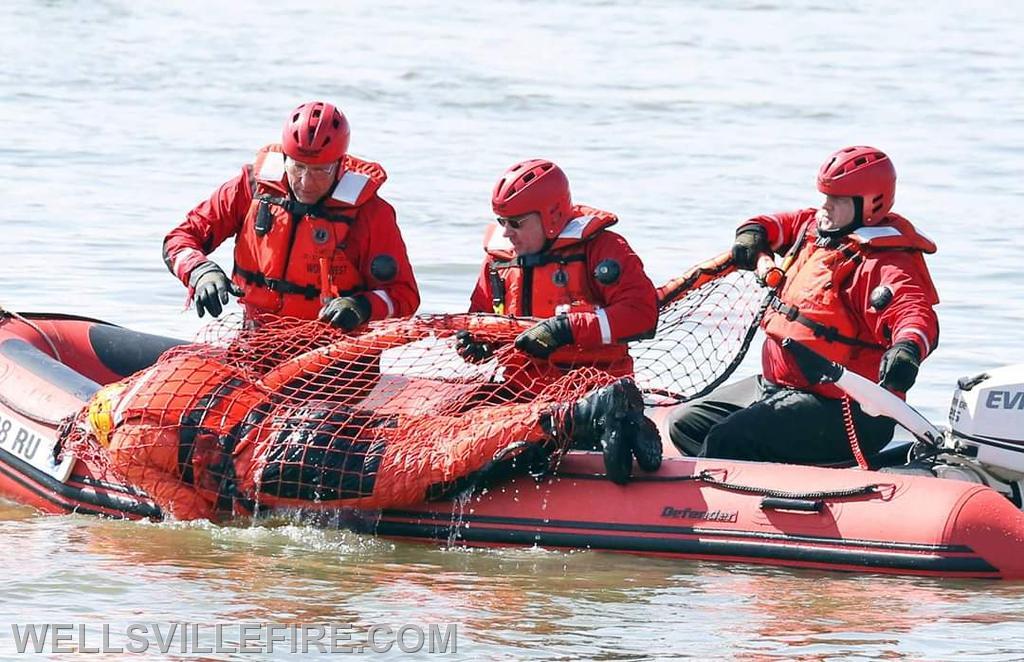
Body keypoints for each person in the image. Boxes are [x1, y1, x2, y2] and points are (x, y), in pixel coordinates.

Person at [81, 339, 659, 521]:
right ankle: (562, 425)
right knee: (424, 440)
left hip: (279, 465)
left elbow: (191, 515)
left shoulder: (124, 443)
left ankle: (575, 416)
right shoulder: (177, 368)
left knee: (422, 470)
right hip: (305, 418)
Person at [668, 146, 940, 465]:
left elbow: (915, 314)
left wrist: (907, 350)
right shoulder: (816, 229)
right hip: (778, 387)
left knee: (727, 440)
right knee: (686, 424)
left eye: (836, 199)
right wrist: (752, 234)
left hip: (843, 410)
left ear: (868, 205)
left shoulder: (885, 263)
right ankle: (768, 478)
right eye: (825, 195)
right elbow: (775, 223)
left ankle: (726, 502)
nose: (825, 206)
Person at [162, 101, 420, 329]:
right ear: (284, 157)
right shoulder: (249, 188)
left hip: (338, 361)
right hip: (257, 345)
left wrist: (361, 307)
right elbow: (180, 238)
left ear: (340, 165)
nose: (306, 182)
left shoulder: (371, 214)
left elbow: (403, 296)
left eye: (321, 171)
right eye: (298, 167)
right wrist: (201, 271)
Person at [456, 159, 658, 376]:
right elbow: (479, 321)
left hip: (596, 388)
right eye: (502, 221)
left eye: (516, 223)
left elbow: (642, 316)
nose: (506, 232)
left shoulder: (602, 249)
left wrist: (566, 329)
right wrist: (476, 345)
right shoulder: (497, 262)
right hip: (519, 388)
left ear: (551, 216)